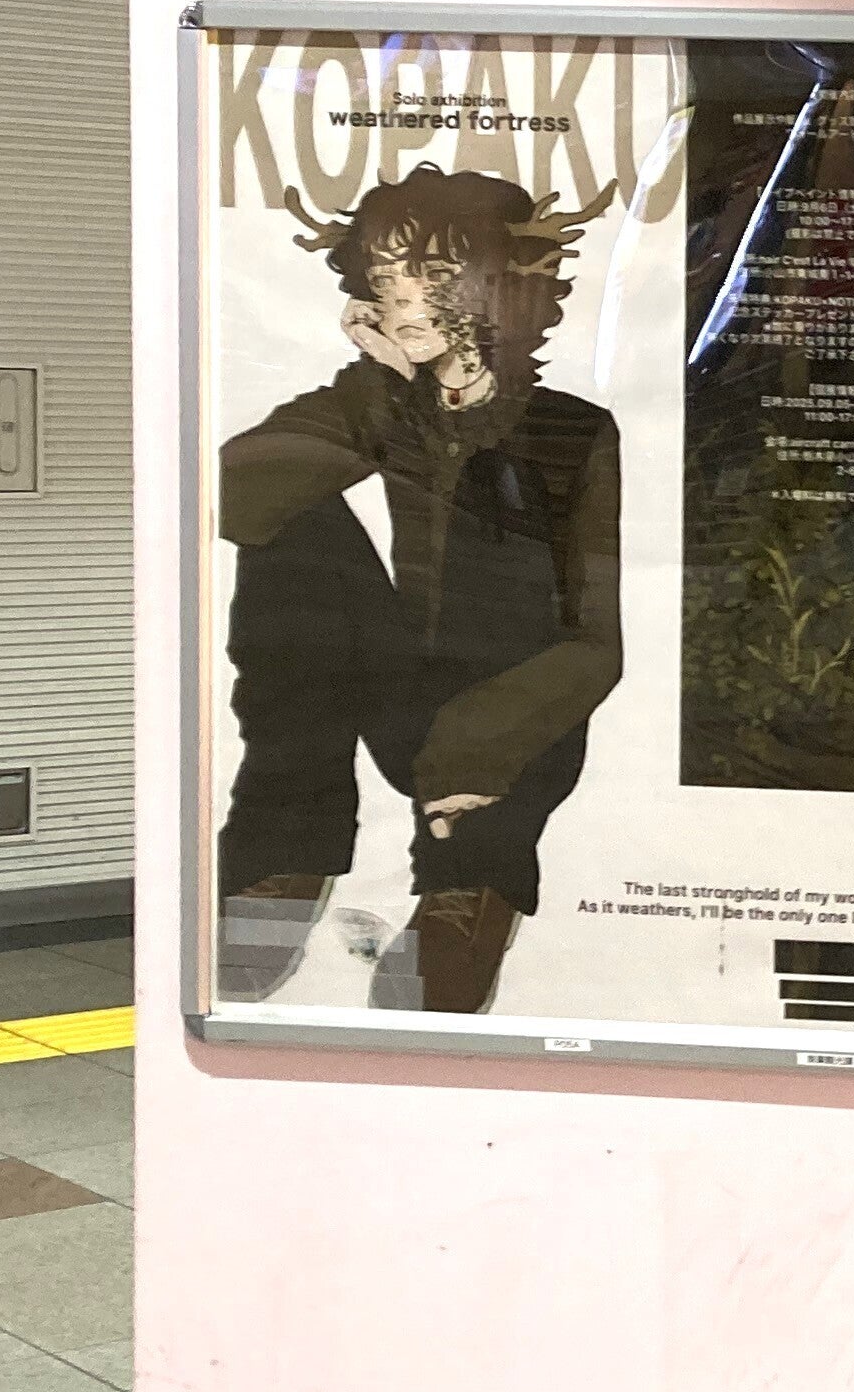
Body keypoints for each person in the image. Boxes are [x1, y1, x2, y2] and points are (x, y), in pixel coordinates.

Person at [212, 166, 622, 1015]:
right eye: (386, 275)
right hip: (398, 691)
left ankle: (468, 885)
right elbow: (237, 497)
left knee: (451, 924)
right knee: (295, 513)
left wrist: (473, 749)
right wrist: (386, 390)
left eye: (432, 273)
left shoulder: (572, 430)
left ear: (503, 283)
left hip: (509, 721)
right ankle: (288, 839)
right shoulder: (383, 401)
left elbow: (595, 643)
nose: (402, 300)